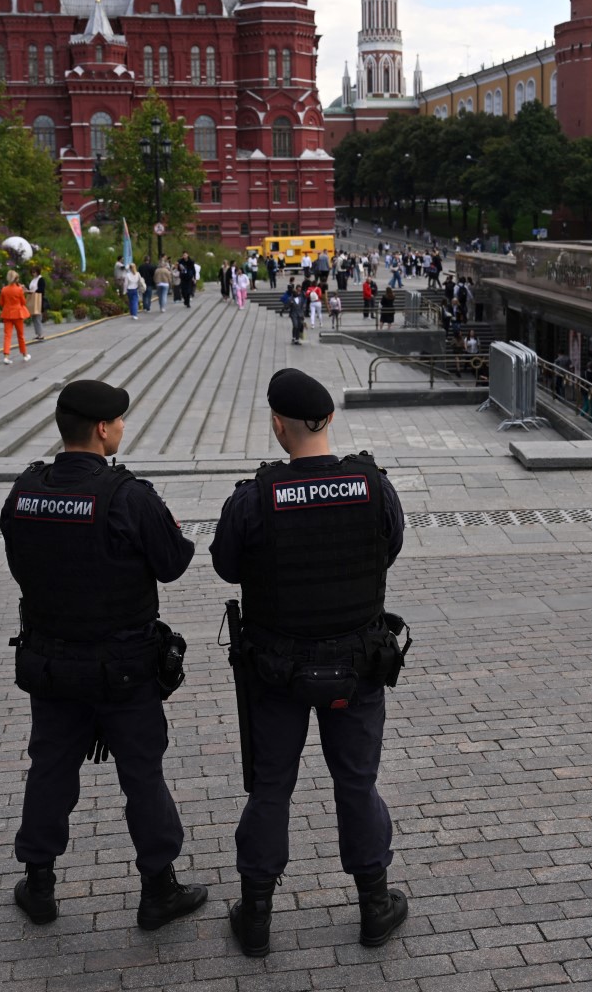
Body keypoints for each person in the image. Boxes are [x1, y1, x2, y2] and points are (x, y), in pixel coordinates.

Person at [211, 369, 411, 956]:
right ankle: (374, 905)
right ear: (329, 420)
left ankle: (256, 917)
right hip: (356, 665)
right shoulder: (373, 485)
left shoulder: (254, 497)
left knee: (271, 787)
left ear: (278, 424)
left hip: (277, 673)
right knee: (357, 783)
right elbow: (390, 548)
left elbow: (226, 564)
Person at [0, 379, 206, 931]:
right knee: (142, 775)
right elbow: (174, 562)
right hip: (124, 668)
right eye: (118, 422)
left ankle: (39, 884)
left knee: (49, 769)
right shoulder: (128, 496)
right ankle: (158, 888)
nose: (121, 430)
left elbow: (19, 564)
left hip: (51, 665)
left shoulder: (25, 491)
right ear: (102, 429)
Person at [0, 269, 32, 364]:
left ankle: (6, 356)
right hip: (18, 314)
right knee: (20, 335)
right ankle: (24, 355)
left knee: (7, 336)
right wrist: (23, 292)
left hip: (7, 314)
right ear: (16, 278)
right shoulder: (19, 290)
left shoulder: (4, 289)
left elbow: (1, 303)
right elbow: (23, 302)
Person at [27, 266, 48, 342]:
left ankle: (41, 334)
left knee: (38, 317)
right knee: (34, 318)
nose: (33, 274)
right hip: (33, 299)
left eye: (34, 272)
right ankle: (38, 334)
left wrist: (33, 291)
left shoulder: (41, 279)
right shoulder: (33, 280)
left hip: (38, 300)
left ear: (38, 272)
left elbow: (41, 290)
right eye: (32, 272)